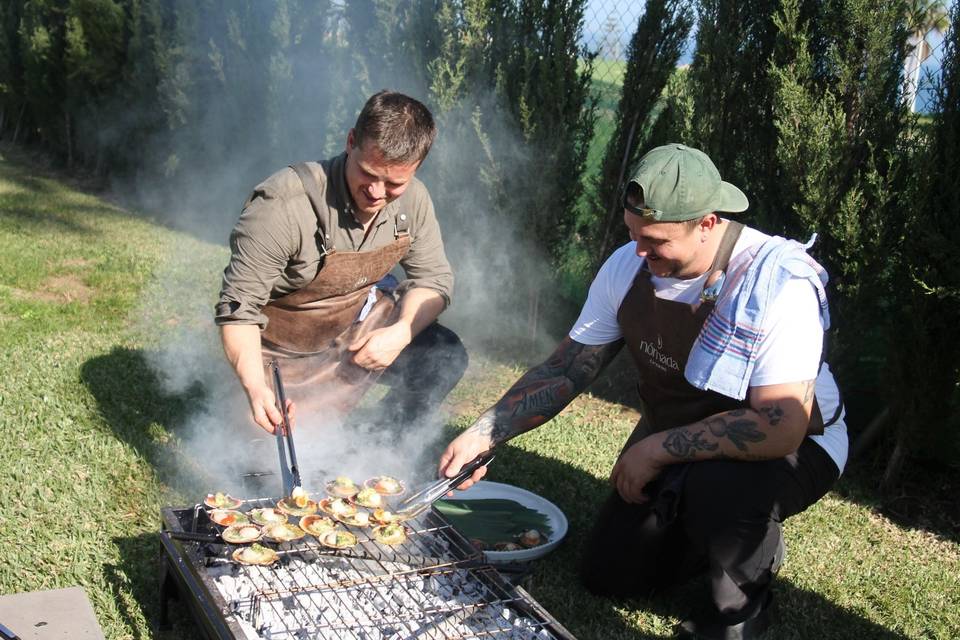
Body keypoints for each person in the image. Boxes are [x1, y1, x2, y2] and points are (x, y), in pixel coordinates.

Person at [437, 144, 848, 639]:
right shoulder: (627, 266)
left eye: (654, 241)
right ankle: (703, 531)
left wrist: (654, 449)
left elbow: (779, 427)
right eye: (632, 234)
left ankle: (743, 611)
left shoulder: (775, 283)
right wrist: (487, 431)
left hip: (795, 447)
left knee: (719, 488)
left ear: (708, 223)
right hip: (682, 431)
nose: (639, 252)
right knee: (609, 575)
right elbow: (571, 367)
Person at [216, 90, 467, 435]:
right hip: (275, 357)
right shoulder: (283, 203)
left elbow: (434, 281)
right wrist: (256, 388)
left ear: (416, 168)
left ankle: (379, 445)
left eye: (394, 183)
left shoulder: (415, 200)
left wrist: (399, 333)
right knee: (262, 461)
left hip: (349, 338)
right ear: (351, 141)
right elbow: (237, 310)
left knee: (445, 354)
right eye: (368, 174)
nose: (377, 193)